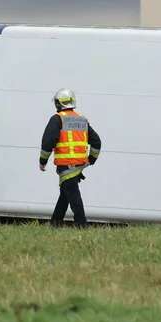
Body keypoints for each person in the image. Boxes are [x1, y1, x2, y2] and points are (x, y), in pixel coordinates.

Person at [38, 88, 102, 227]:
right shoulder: (81, 119)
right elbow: (97, 142)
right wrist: (91, 159)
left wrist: (43, 161)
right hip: (79, 165)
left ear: (58, 103)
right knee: (65, 194)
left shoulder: (57, 119)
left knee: (73, 196)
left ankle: (82, 225)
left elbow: (48, 141)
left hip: (66, 165)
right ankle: (55, 223)